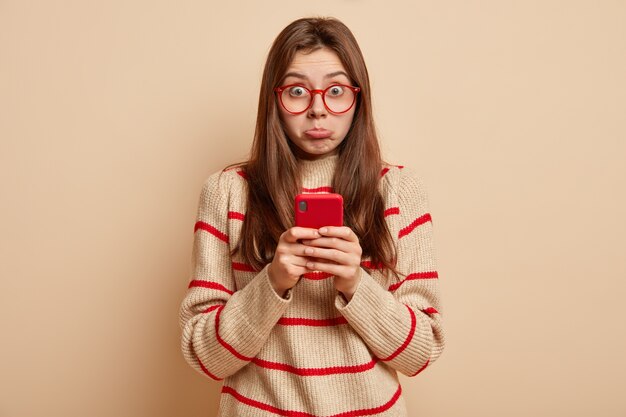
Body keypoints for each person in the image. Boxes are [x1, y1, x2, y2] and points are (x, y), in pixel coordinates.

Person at [178, 16, 445, 416]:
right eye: (298, 91)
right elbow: (204, 355)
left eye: (336, 91)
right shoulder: (227, 191)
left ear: (359, 98)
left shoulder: (399, 191)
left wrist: (356, 284)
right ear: (275, 98)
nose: (318, 110)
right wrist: (272, 283)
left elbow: (421, 353)